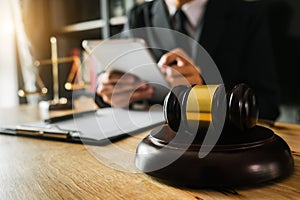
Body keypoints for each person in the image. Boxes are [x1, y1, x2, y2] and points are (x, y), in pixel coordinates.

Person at [96, 0, 280, 121]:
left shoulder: (247, 15)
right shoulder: (138, 15)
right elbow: (112, 74)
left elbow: (268, 105)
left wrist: (203, 93)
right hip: (151, 136)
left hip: (219, 144)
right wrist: (107, 91)